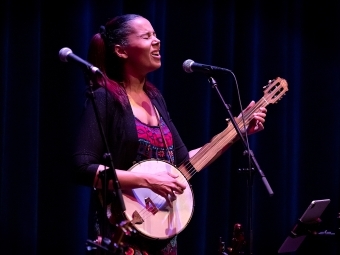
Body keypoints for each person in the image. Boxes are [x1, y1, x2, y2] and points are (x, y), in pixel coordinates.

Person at [72, 14, 267, 255]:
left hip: (162, 235)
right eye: (146, 36)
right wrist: (148, 180)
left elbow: (184, 162)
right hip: (122, 234)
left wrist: (235, 133)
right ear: (121, 51)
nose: (157, 41)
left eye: (155, 34)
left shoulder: (155, 99)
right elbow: (82, 168)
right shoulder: (104, 98)